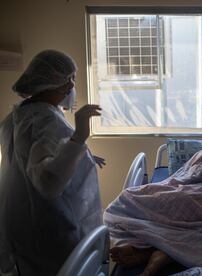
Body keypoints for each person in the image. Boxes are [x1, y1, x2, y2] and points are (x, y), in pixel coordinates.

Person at [0, 49, 104, 276]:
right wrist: (79, 138)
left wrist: (83, 156)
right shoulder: (45, 120)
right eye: (70, 79)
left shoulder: (21, 114)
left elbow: (26, 160)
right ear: (57, 83)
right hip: (49, 227)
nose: (72, 86)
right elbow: (48, 183)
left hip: (25, 219)